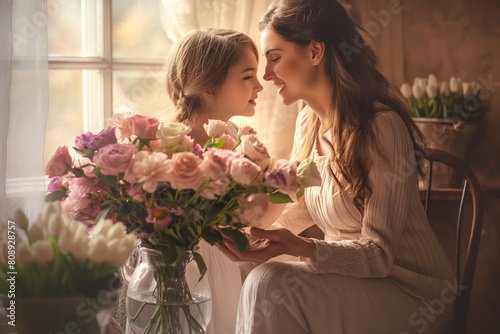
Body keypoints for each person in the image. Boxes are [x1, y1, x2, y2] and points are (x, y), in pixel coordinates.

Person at [216, 1, 455, 333]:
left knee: (270, 284)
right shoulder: (308, 123)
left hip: (411, 293)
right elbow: (300, 208)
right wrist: (248, 235)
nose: (266, 75)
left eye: (275, 58)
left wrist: (297, 246)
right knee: (249, 273)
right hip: (350, 281)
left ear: (315, 51)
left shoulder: (381, 127)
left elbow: (379, 255)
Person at [165, 28, 263, 334]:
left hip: (220, 268)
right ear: (209, 88)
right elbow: (250, 217)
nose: (259, 85)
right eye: (247, 76)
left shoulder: (232, 136)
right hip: (192, 271)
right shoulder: (174, 147)